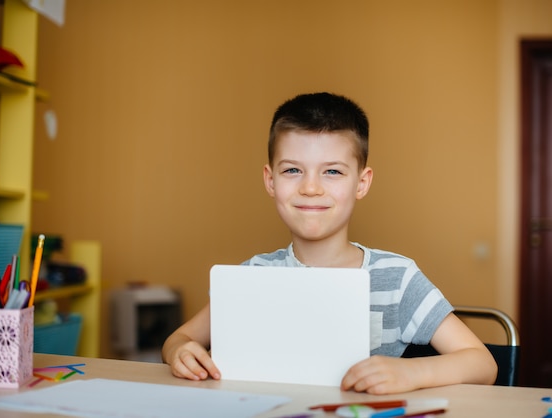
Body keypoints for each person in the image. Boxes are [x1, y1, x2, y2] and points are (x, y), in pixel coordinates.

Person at [162, 92, 498, 394]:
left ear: (362, 183)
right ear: (270, 180)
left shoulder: (397, 278)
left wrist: (412, 372)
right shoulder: (253, 274)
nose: (311, 188)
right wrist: (179, 351)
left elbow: (482, 364)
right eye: (293, 170)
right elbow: (180, 339)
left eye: (332, 172)